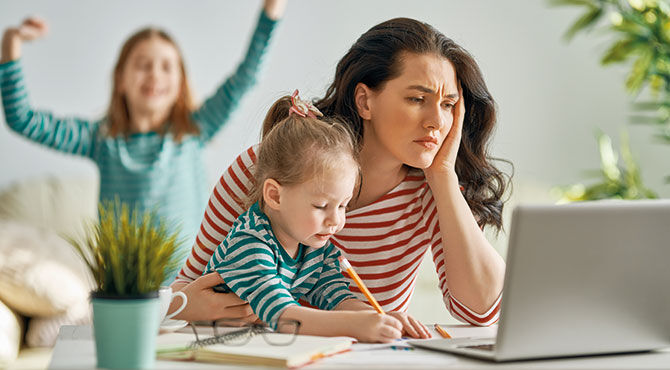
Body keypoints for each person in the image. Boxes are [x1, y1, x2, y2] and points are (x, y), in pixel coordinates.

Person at [171, 17, 509, 332]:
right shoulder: (263, 169)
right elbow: (185, 289)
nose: (436, 120)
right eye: (417, 98)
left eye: (448, 105)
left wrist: (444, 176)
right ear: (365, 101)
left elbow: (481, 312)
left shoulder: (430, 190)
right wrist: (185, 307)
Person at [0, 0, 286, 282]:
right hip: (126, 288)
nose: (154, 74)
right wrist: (11, 43)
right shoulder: (102, 140)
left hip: (192, 284)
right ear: (121, 80)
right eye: (142, 65)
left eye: (166, 66)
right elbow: (23, 119)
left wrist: (271, 11)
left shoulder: (194, 130)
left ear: (180, 83)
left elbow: (246, 77)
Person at [203, 91, 416, 342]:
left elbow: (337, 298)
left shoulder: (312, 244)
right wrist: (354, 325)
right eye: (321, 205)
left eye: (343, 206)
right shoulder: (249, 244)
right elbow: (283, 316)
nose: (335, 221)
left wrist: (378, 317)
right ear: (275, 196)